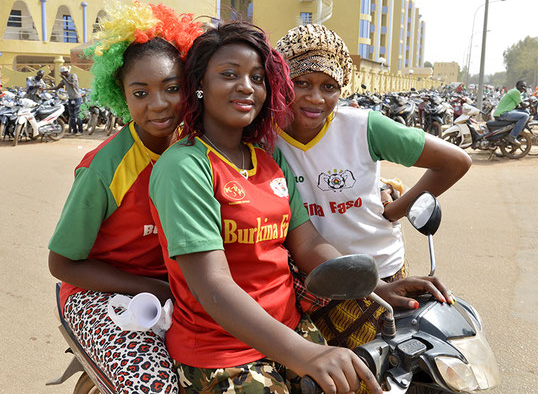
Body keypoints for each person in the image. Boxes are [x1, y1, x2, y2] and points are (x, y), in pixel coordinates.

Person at [149, 21, 451, 394]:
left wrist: (372, 288)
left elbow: (307, 243)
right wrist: (303, 355)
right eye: (229, 74)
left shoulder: (268, 161)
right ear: (199, 86)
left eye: (257, 77)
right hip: (222, 351)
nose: (246, 86)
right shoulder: (185, 167)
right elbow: (213, 286)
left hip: (293, 329)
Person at [274, 25, 469, 391]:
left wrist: (395, 211)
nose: (315, 98)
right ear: (281, 81)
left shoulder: (363, 127)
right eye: (301, 82)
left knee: (383, 380)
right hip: (310, 287)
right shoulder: (264, 139)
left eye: (328, 86)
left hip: (383, 277)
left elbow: (455, 161)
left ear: (342, 88)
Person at [47, 2, 202, 393]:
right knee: (154, 385)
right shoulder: (104, 168)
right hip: (97, 293)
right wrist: (152, 288)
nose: (159, 104)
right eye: (141, 92)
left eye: (171, 88)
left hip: (179, 288)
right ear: (121, 94)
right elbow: (62, 263)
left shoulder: (200, 150)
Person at [45, 65, 83, 135]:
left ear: (65, 72)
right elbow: (57, 87)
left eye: (62, 74)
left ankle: (80, 131)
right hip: (70, 99)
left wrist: (65, 79)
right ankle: (74, 131)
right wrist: (45, 89)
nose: (61, 75)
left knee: (77, 115)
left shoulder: (73, 76)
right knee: (71, 116)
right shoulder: (64, 79)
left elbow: (73, 85)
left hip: (77, 98)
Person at [493, 80, 530, 146]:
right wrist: (531, 104)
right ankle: (512, 136)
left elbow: (518, 107)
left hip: (504, 112)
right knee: (525, 116)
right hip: (503, 113)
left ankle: (515, 131)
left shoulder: (514, 91)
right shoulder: (516, 92)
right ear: (517, 86)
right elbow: (523, 105)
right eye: (521, 86)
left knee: (525, 112)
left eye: (525, 86)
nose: (523, 88)